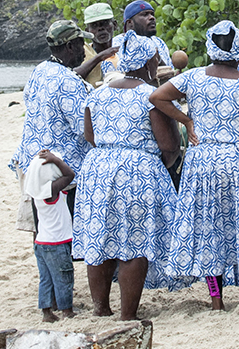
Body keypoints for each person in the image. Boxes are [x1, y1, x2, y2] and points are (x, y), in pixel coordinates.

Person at [151, 21, 239, 309]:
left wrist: (186, 120)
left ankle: (216, 299)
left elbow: (157, 96)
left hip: (204, 161)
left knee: (210, 228)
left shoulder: (193, 78)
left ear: (210, 48)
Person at [74, 30, 184, 320]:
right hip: (137, 171)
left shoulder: (97, 95)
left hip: (98, 169)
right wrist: (163, 162)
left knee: (102, 236)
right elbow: (169, 145)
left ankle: (101, 307)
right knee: (134, 241)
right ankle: (127, 314)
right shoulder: (151, 97)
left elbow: (90, 136)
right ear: (148, 62)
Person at [9, 20, 93, 190]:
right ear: (70, 46)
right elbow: (85, 128)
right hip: (61, 170)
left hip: (32, 162)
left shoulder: (40, 70)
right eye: (80, 43)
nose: (84, 49)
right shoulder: (68, 81)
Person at [27, 149, 77, 322]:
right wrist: (56, 160)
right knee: (64, 277)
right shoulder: (50, 190)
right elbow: (70, 175)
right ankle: (66, 310)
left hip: (41, 241)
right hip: (56, 242)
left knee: (46, 279)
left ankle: (47, 311)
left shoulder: (37, 191)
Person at [114, 0, 172, 67]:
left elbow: (169, 71)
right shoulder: (116, 45)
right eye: (145, 14)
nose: (152, 18)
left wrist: (158, 60)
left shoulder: (159, 43)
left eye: (152, 14)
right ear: (130, 23)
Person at [81, 2, 120, 87]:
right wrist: (99, 58)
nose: (100, 28)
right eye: (94, 25)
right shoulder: (83, 55)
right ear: (87, 31)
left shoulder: (126, 51)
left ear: (114, 25)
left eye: (105, 23)